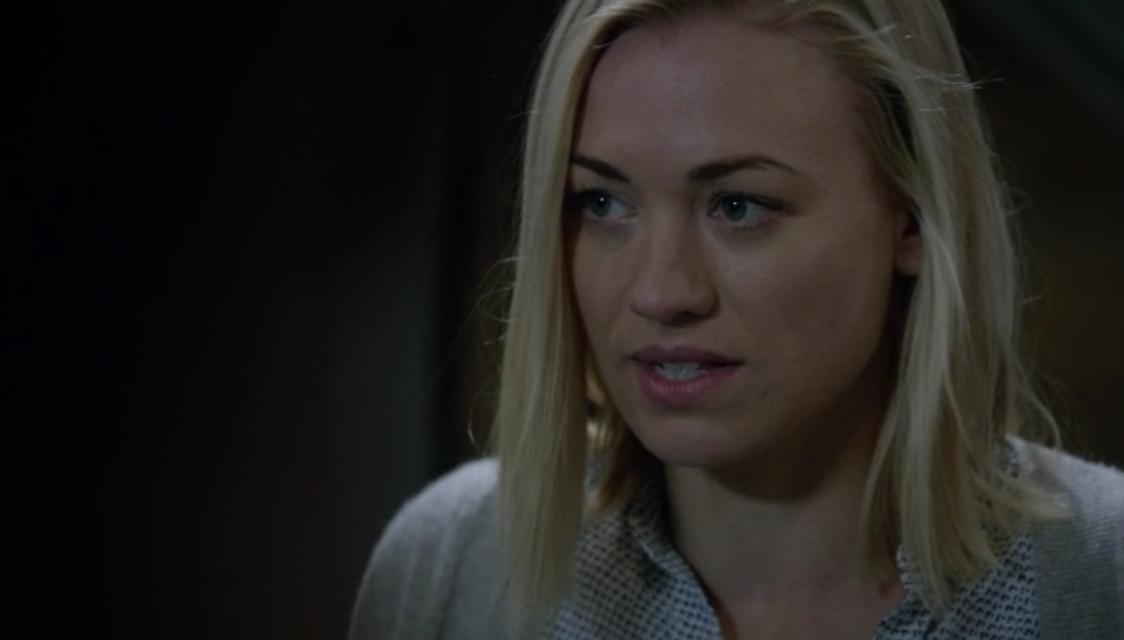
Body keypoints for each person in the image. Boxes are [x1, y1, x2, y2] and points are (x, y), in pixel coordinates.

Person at [350, 0, 1124, 638]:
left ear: (915, 216)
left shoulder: (1099, 579)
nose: (661, 293)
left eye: (739, 206)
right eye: (603, 202)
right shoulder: (455, 564)